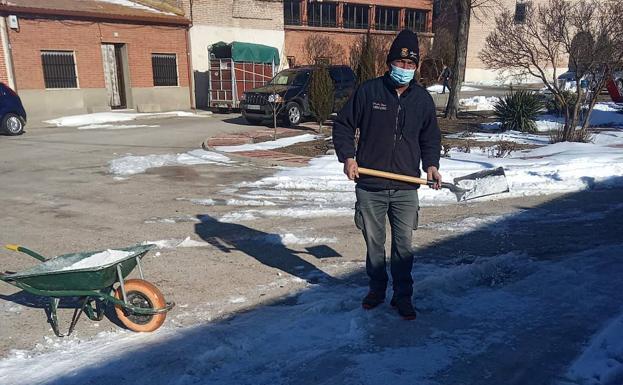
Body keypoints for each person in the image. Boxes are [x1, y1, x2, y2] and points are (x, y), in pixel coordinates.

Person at [333, 29, 442, 320]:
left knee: (403, 246)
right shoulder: (369, 92)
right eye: (400, 63)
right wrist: (348, 157)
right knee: (374, 245)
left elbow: (430, 137)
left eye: (410, 65)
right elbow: (343, 125)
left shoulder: (422, 100)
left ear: (416, 67)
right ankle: (377, 290)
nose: (404, 69)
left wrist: (431, 164)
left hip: (407, 187)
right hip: (370, 185)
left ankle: (403, 297)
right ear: (389, 62)